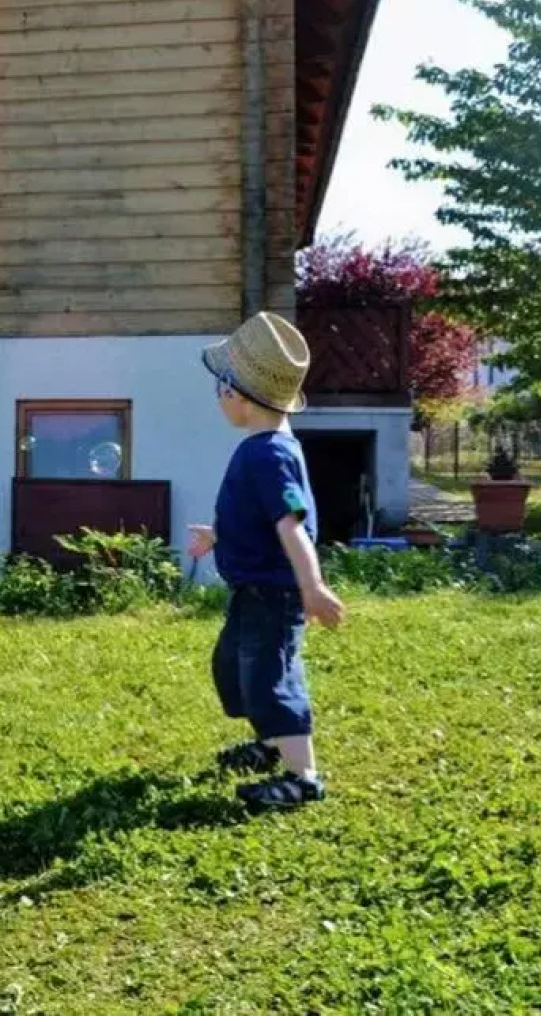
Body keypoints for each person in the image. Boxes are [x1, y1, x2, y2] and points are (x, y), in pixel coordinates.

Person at [186, 311, 344, 810]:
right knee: (235, 667)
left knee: (271, 679)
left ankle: (304, 777)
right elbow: (262, 517)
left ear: (236, 394)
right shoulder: (268, 447)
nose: (218, 397)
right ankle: (270, 745)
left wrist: (312, 586)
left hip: (273, 594)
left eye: (220, 388)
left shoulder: (267, 454)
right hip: (253, 590)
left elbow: (289, 523)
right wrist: (219, 536)